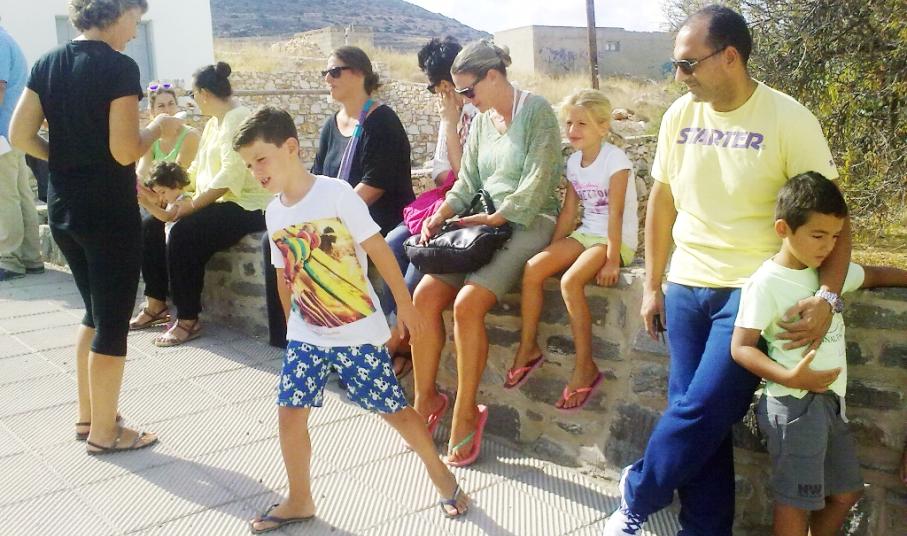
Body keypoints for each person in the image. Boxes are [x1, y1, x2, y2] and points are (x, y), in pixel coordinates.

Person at [604, 6, 848, 535]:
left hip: (752, 291)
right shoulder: (680, 116)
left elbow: (836, 218)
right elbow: (663, 204)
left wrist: (828, 298)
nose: (679, 76)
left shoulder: (789, 119)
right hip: (687, 285)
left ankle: (638, 493)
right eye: (676, 64)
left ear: (730, 57)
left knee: (704, 408)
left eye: (688, 64)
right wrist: (652, 285)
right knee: (701, 418)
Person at [233, 106, 468, 533]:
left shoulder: (336, 193)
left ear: (291, 148)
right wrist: (291, 329)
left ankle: (442, 477)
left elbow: (379, 250)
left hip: (355, 332)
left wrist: (405, 306)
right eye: (249, 165)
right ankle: (300, 498)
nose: (256, 171)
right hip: (306, 334)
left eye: (261, 159)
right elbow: (285, 277)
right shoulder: (274, 212)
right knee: (289, 413)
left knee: (393, 410)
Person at [10, 0, 183, 453]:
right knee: (112, 323)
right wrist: (159, 127)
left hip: (64, 208)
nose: (135, 31)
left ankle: (89, 417)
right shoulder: (119, 67)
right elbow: (125, 151)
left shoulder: (48, 62)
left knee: (93, 313)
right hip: (107, 214)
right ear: (117, 12)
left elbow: (20, 134)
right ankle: (105, 434)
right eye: (135, 20)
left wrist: (65, 159)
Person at [411, 40, 563, 467]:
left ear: (493, 76)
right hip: (484, 225)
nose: (464, 99)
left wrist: (497, 217)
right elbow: (467, 181)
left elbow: (538, 180)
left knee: (467, 304)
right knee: (424, 296)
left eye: (467, 90)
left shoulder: (537, 111)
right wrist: (441, 214)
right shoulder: (480, 121)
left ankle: (465, 412)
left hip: (528, 221)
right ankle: (425, 400)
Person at [731, 172, 907, 536]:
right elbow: (741, 347)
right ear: (783, 229)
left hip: (829, 405)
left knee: (846, 492)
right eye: (818, 235)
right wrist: (790, 377)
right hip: (793, 405)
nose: (828, 246)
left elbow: (874, 275)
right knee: (796, 501)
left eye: (836, 237)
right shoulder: (766, 283)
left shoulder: (827, 277)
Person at [262, 45, 414, 349]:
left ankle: (376, 342)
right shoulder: (331, 125)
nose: (327, 79)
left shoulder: (382, 121)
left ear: (359, 73)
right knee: (275, 240)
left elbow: (375, 184)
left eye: (334, 71)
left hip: (376, 216)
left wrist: (326, 220)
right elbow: (317, 177)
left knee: (318, 244)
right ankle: (293, 336)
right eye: (325, 73)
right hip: (337, 213)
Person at [505, 88, 636, 410]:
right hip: (587, 233)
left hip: (614, 239)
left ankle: (585, 366)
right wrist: (552, 251)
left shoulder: (615, 160)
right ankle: (528, 348)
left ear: (603, 127)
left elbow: (616, 213)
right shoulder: (574, 162)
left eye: (582, 124)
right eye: (569, 123)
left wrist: (612, 260)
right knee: (534, 269)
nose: (573, 130)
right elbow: (568, 212)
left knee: (570, 281)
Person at [131, 61, 271, 343]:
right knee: (150, 226)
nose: (193, 101)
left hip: (246, 204)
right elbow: (197, 170)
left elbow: (230, 174)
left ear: (204, 93)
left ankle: (188, 319)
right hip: (220, 201)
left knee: (184, 233)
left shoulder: (238, 118)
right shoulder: (213, 124)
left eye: (193, 95)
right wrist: (169, 192)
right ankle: (156, 303)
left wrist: (191, 206)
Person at [384, 36, 478, 377]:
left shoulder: (476, 114)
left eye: (440, 86)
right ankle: (396, 332)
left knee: (418, 257)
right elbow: (440, 169)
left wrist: (450, 125)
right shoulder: (449, 114)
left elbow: (466, 177)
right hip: (444, 200)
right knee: (391, 244)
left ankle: (397, 342)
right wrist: (448, 128)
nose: (442, 93)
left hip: (466, 205)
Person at [0, 19, 43, 281]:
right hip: (12, 132)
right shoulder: (7, 39)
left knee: (5, 196)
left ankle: (9, 259)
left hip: (2, 133)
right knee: (20, 194)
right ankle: (30, 257)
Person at [134, 81, 199, 179]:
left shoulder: (190, 136)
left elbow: (177, 178)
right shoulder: (152, 138)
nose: (167, 110)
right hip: (157, 187)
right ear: (152, 111)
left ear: (177, 106)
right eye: (161, 106)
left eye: (171, 104)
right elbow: (142, 173)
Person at [142, 160, 189, 242]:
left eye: (163, 192)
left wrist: (147, 204)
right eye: (158, 193)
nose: (161, 197)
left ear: (176, 184)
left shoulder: (184, 200)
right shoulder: (171, 202)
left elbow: (168, 216)